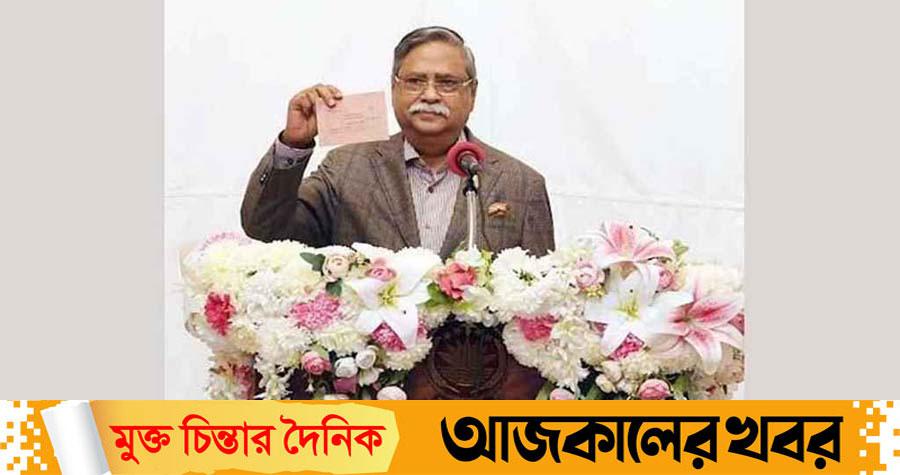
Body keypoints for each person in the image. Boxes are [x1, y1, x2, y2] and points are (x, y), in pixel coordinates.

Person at [241, 26, 555, 399]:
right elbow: (266, 227)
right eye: (415, 81)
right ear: (394, 88)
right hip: (365, 395)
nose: (430, 95)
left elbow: (541, 311)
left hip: (477, 399)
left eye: (447, 83)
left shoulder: (520, 184)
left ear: (472, 94)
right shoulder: (347, 167)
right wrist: (294, 144)